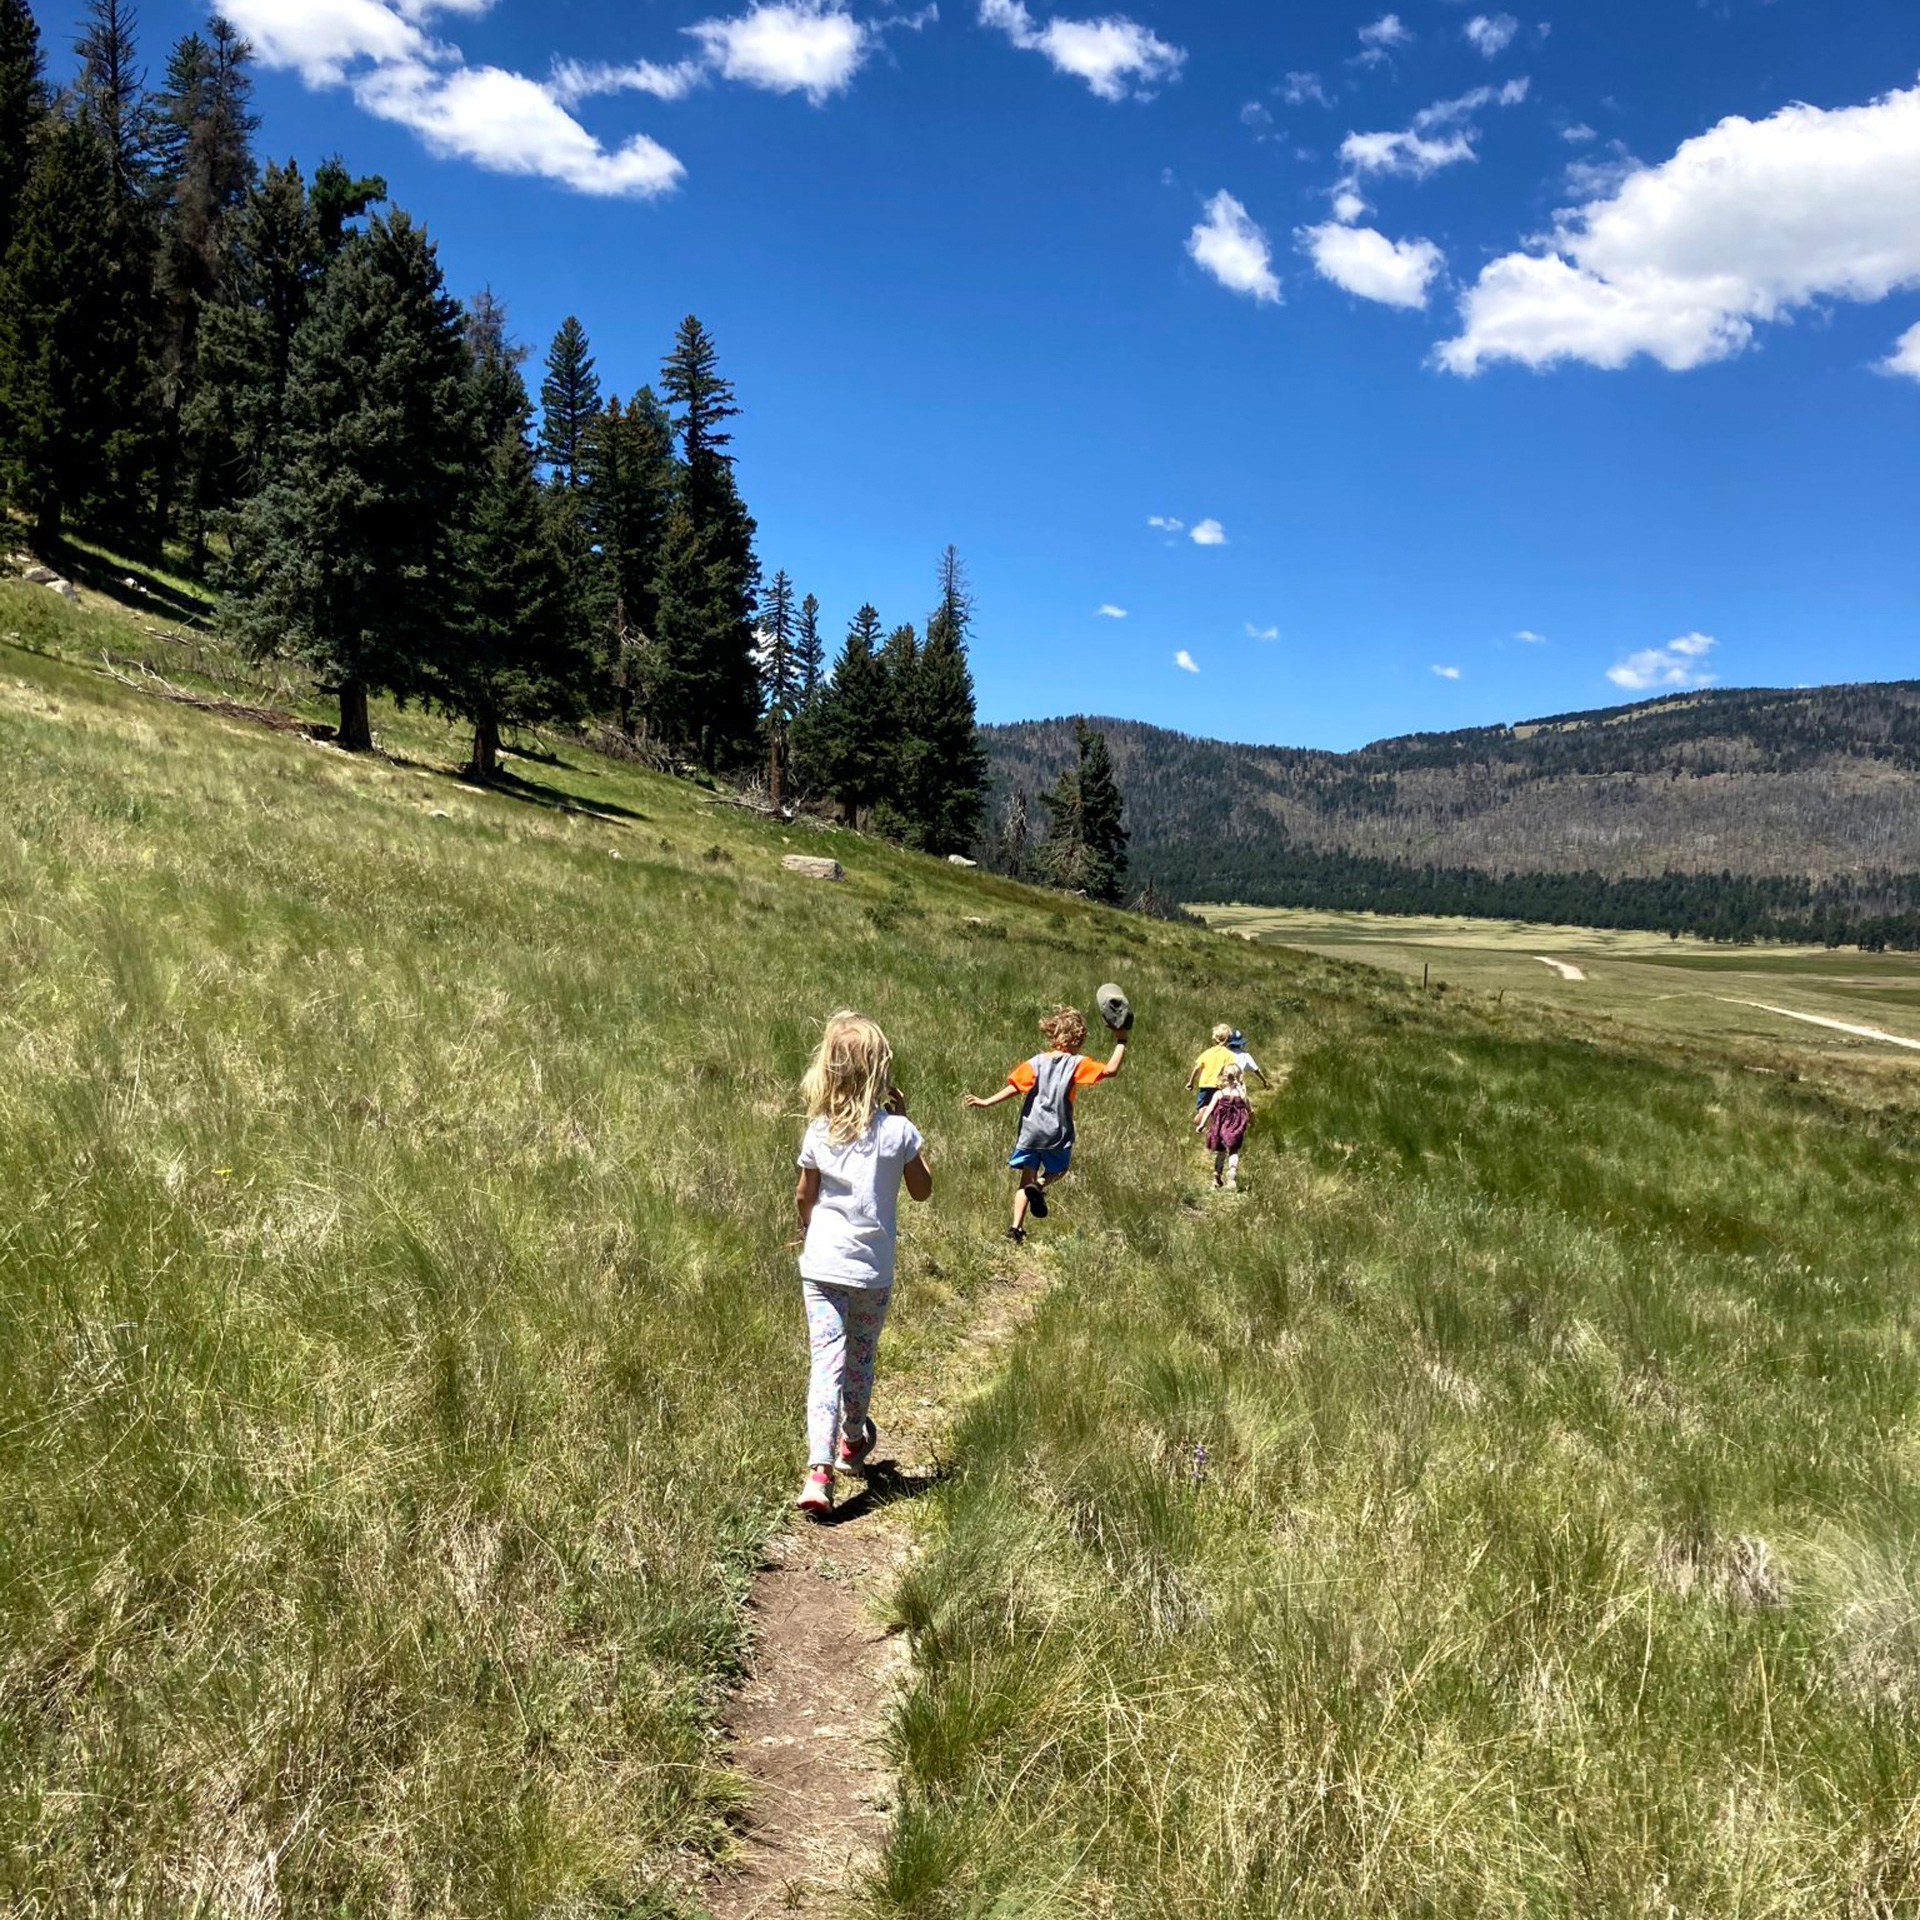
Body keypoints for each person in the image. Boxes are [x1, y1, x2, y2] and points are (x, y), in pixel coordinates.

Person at [792, 1011, 933, 1517]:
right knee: (861, 1354)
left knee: (824, 1361)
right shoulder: (897, 1131)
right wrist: (906, 1124)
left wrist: (809, 1232)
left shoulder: (817, 1131)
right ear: (881, 1073)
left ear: (828, 1072)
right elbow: (922, 1190)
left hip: (822, 1265)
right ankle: (853, 1437)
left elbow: (804, 1195)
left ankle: (818, 1471)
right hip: (871, 1272)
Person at [963, 1005, 1127, 1244]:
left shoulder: (1037, 1061)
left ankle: (1015, 1229)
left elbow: (1016, 1087)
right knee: (1058, 1170)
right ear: (1077, 1039)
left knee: (1024, 1179)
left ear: (1054, 1036)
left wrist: (986, 1101)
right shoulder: (1078, 1063)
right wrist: (1121, 1041)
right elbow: (1110, 1070)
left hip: (1030, 1130)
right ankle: (1040, 1185)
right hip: (1056, 1131)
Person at [1197, 1060, 1252, 1188]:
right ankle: (1232, 1172)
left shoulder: (1219, 1094)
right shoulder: (1242, 1095)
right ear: (1239, 1077)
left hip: (1220, 1127)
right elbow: (1249, 1110)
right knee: (1234, 1151)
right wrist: (1251, 1120)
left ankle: (1217, 1177)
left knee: (1221, 1152)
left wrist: (1202, 1124)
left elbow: (1209, 1109)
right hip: (1236, 1127)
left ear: (1223, 1076)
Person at [1186, 1023, 1239, 1113]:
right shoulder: (1229, 1055)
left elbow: (1197, 1068)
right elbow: (1230, 1071)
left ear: (1214, 1038)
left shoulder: (1207, 1052)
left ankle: (1202, 1123)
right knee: (1218, 1108)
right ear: (1229, 1039)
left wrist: (1191, 1082)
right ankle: (1214, 1124)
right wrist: (1234, 1083)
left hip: (1205, 1085)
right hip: (1219, 1086)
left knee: (1201, 1108)